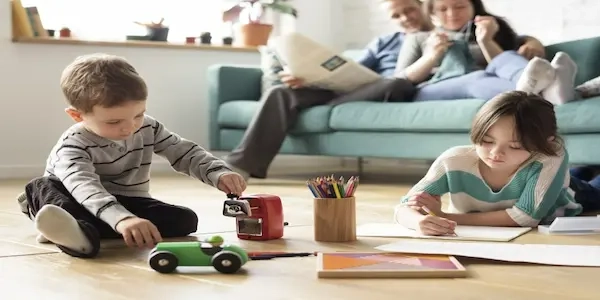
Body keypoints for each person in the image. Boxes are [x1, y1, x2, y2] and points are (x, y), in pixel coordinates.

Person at [223, 0, 545, 180]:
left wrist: (531, 43)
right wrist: (309, 78)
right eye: (397, 15)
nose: (405, 18)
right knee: (282, 92)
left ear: (423, 9)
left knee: (393, 81)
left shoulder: (446, 35)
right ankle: (243, 164)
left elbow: (506, 46)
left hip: (391, 87)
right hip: (350, 88)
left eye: (410, 11)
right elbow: (352, 70)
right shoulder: (384, 42)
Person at [16, 53, 247, 258]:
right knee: (41, 186)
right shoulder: (73, 146)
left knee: (185, 219)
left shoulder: (148, 127)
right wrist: (123, 220)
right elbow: (85, 188)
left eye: (138, 115)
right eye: (114, 121)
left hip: (128, 200)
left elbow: (183, 151)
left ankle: (78, 230)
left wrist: (217, 172)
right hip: (76, 198)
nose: (130, 128)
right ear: (77, 116)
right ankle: (69, 228)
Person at [393, 91, 600, 236]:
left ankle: (578, 174)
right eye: (487, 141)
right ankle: (580, 171)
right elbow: (404, 206)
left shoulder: (550, 156)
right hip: (542, 180)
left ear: (546, 143)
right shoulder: (453, 161)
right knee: (569, 176)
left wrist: (445, 217)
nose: (496, 153)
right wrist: (419, 221)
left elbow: (525, 217)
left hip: (568, 195)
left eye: (515, 146)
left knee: (589, 188)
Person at [393, 0, 551, 102]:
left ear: (473, 6)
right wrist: (432, 56)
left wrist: (486, 41)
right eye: (442, 9)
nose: (452, 14)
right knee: (476, 78)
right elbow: (400, 81)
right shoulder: (419, 38)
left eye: (460, 6)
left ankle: (550, 86)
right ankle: (545, 93)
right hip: (430, 89)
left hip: (489, 81)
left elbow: (502, 66)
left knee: (508, 57)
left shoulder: (493, 28)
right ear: (432, 13)